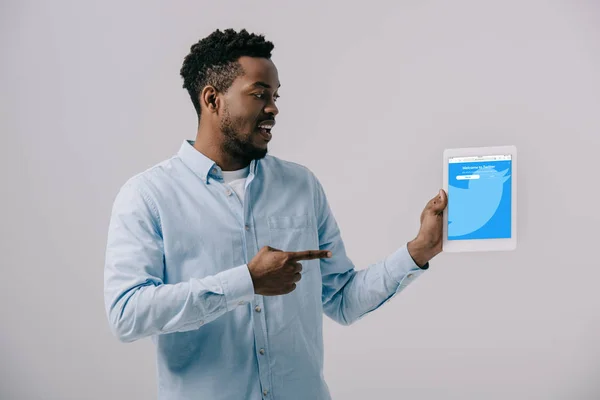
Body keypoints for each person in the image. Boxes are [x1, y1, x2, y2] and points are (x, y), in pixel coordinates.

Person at [104, 28, 448, 400]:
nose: (273, 107)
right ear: (212, 99)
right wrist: (245, 281)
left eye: (275, 95)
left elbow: (343, 299)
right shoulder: (149, 196)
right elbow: (126, 313)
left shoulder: (301, 186)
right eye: (259, 94)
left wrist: (419, 250)